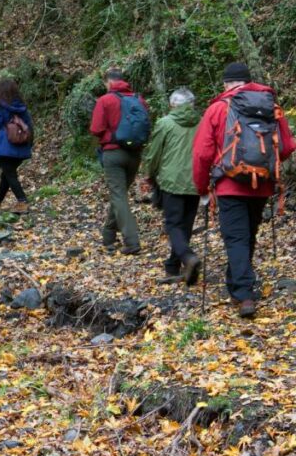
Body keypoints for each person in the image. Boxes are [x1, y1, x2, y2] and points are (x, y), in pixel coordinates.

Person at [192, 62, 294, 318]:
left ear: (226, 84)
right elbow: (286, 147)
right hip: (261, 186)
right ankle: (239, 282)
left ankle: (244, 294)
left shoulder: (217, 109)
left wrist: (202, 187)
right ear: (248, 81)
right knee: (247, 235)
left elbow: (202, 154)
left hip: (229, 185)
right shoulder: (271, 106)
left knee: (235, 238)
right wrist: (263, 164)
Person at [142, 87, 201, 283]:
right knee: (185, 223)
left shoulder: (165, 123)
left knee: (173, 223)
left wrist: (149, 174)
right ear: (192, 105)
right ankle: (173, 266)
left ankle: (187, 257)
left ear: (172, 105)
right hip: (195, 180)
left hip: (171, 181)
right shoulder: (202, 122)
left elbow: (154, 153)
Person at [90, 67, 150, 255]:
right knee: (120, 195)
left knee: (119, 196)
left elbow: (96, 128)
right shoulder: (139, 100)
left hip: (113, 154)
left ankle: (132, 242)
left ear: (108, 82)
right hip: (134, 154)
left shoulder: (105, 100)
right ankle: (108, 235)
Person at [0, 78, 33, 214]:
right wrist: (29, 144)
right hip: (21, 146)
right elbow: (30, 127)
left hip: (4, 147)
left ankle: (23, 201)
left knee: (10, 175)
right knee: (7, 176)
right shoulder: (22, 107)